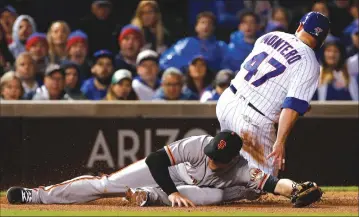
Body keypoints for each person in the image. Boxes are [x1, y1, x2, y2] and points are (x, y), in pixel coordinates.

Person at [6, 130, 323, 208]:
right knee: (105, 185)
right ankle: (37, 196)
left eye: (217, 156)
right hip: (174, 178)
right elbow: (157, 160)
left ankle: (147, 196)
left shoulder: (240, 169)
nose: (211, 156)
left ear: (231, 159)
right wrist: (169, 192)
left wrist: (294, 189)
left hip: (212, 191)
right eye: (212, 151)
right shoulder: (200, 143)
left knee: (210, 196)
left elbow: (272, 184)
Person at [216, 12, 330, 177]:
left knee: (228, 160)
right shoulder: (310, 63)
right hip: (252, 120)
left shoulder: (271, 36)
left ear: (300, 26)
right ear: (322, 40)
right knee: (266, 182)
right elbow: (292, 106)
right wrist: (280, 142)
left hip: (227, 100)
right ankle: (213, 194)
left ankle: (202, 187)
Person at [160, 11, 227, 72]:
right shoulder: (186, 43)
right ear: (196, 27)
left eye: (209, 23)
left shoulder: (221, 46)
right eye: (203, 22)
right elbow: (164, 62)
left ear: (213, 27)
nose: (206, 26)